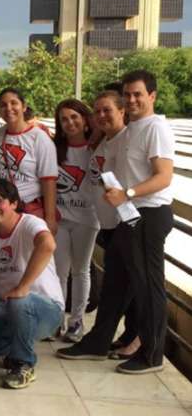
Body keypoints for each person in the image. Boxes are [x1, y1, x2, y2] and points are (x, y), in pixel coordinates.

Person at [58, 70, 174, 374]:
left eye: (138, 94)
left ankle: (152, 354)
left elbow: (164, 176)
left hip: (146, 213)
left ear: (152, 96)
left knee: (148, 287)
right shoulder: (133, 129)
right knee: (115, 284)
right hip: (128, 216)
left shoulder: (155, 128)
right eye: (128, 94)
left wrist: (128, 194)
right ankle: (98, 341)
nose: (133, 99)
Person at [0, 178, 63, 389]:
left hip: (45, 307)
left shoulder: (30, 222)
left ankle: (23, 364)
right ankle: (14, 346)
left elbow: (48, 244)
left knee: (20, 302)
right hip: (5, 306)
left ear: (13, 203)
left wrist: (23, 286)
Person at [86, 91, 138, 356]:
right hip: (106, 223)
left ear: (122, 111)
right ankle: (128, 335)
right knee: (121, 283)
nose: (101, 116)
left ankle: (136, 338)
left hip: (123, 221)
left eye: (107, 110)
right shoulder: (105, 141)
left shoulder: (126, 140)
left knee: (129, 284)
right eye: (97, 112)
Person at [0, 87, 59, 235]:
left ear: (24, 106)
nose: (9, 108)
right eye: (3, 105)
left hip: (28, 210)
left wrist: (50, 218)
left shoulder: (39, 137)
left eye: (13, 103)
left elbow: (49, 181)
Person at [52, 99, 99, 341]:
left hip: (87, 219)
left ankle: (77, 321)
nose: (69, 122)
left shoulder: (97, 147)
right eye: (64, 119)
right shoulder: (55, 148)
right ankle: (56, 319)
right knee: (59, 272)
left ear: (85, 119)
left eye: (74, 117)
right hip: (60, 218)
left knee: (80, 271)